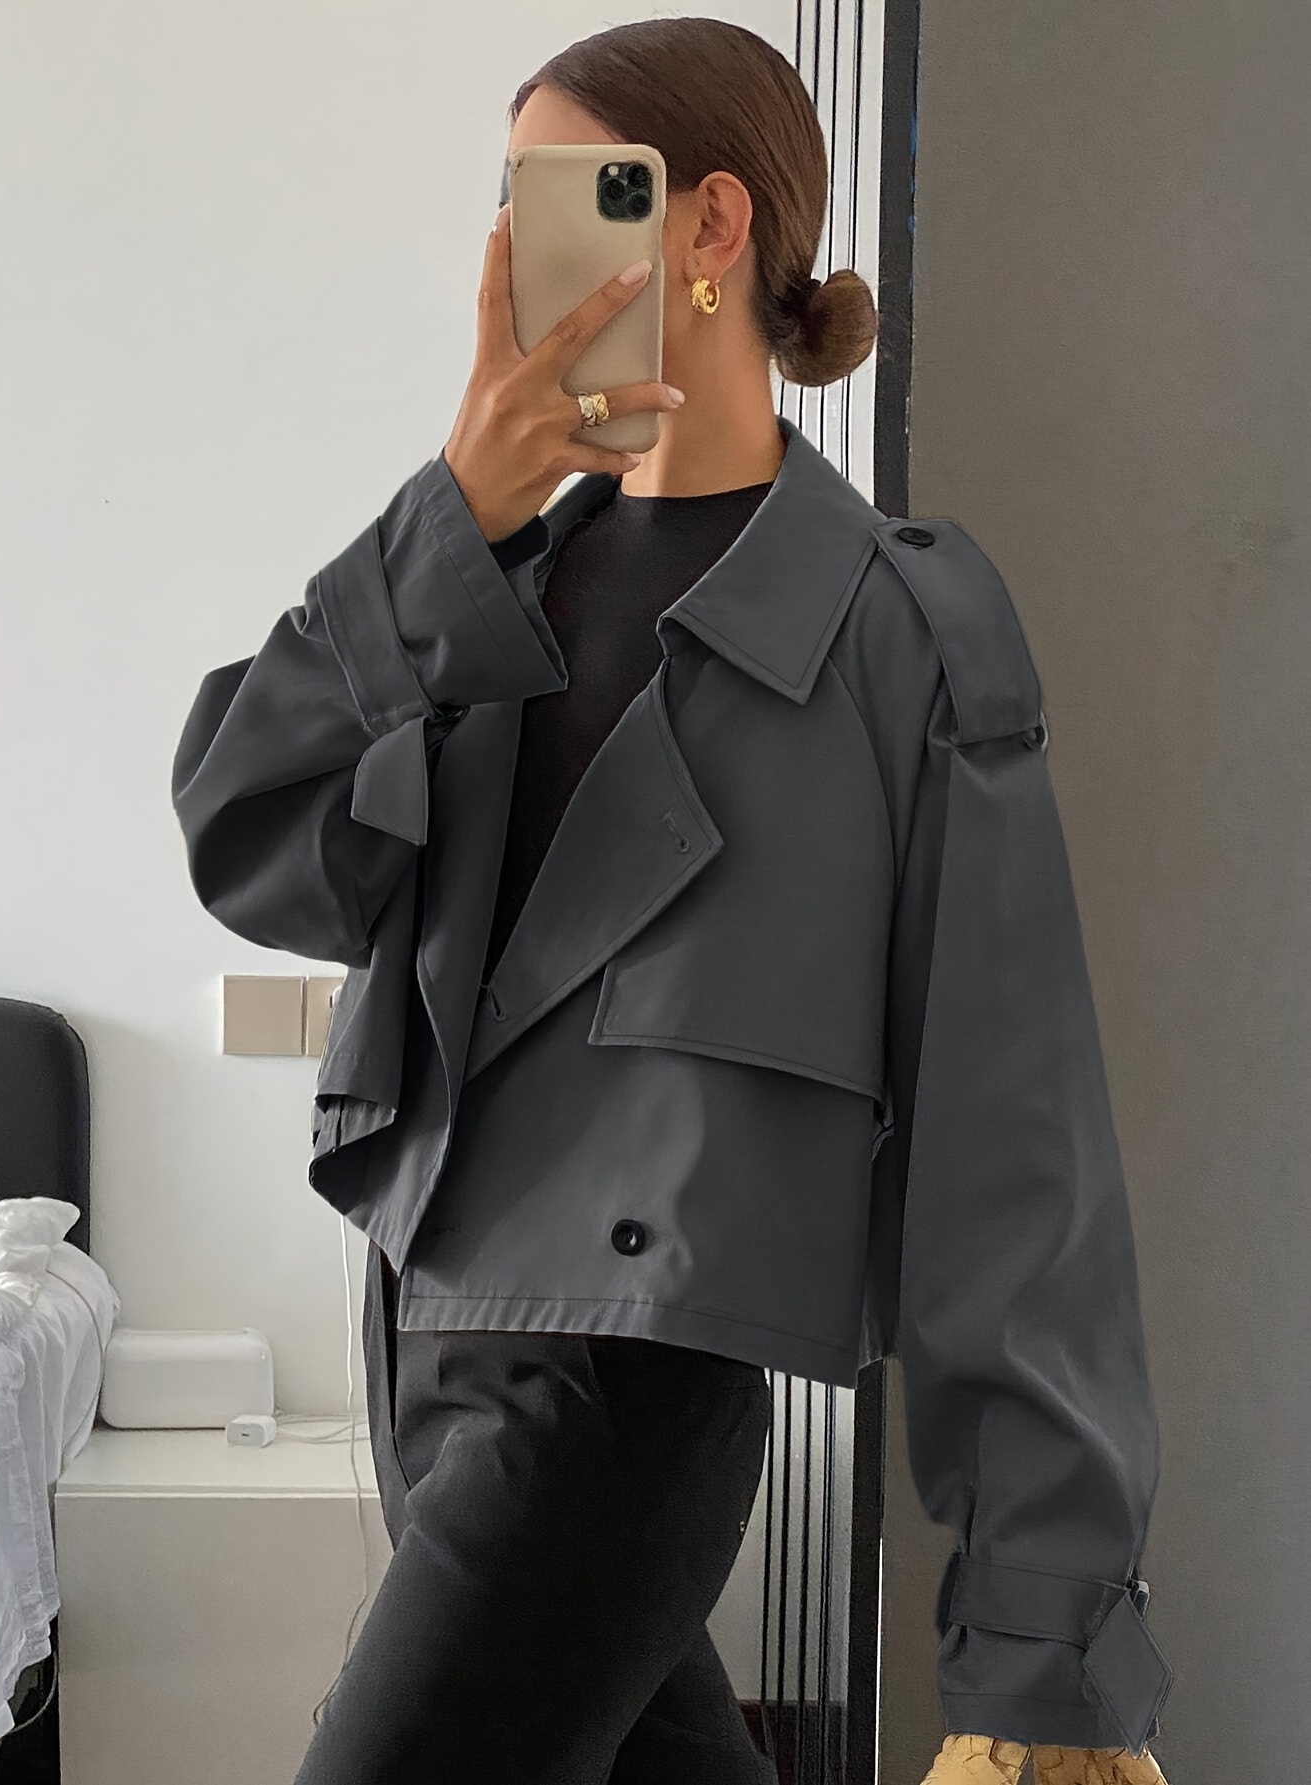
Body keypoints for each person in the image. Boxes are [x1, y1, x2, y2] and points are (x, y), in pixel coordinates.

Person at [172, 18, 1171, 1785]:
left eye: (561, 190)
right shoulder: (483, 590)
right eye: (502, 201)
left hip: (615, 1401)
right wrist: (452, 514)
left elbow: (1014, 1153)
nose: (512, 244)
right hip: (425, 1355)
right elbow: (248, 836)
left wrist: (1044, 1641)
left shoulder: (892, 632)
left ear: (711, 226)